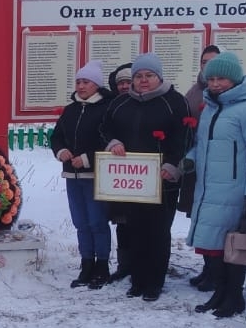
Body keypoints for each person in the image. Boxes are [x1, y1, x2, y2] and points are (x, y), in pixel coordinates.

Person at [182, 53, 246, 318]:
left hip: (235, 191)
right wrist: (190, 159)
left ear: (235, 79)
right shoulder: (211, 108)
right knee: (213, 247)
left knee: (232, 246)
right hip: (208, 189)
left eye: (221, 78)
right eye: (211, 79)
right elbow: (203, 145)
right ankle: (219, 293)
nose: (215, 84)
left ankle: (234, 297)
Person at [99, 53, 190, 302]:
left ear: (159, 77)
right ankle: (137, 280)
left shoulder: (174, 102)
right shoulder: (121, 103)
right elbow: (104, 128)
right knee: (135, 230)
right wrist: (113, 142)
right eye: (139, 76)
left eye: (149, 75)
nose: (143, 80)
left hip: (163, 181)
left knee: (158, 232)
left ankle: (154, 282)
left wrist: (173, 165)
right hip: (131, 182)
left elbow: (184, 137)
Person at [50, 60, 114, 289]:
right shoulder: (71, 110)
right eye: (78, 81)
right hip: (72, 176)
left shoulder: (106, 109)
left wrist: (87, 158)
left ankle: (102, 265)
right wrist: (61, 151)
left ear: (97, 85)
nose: (81, 86)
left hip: (95, 176)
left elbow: (109, 141)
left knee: (97, 221)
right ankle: (86, 263)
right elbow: (56, 137)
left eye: (86, 82)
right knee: (80, 222)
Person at [181, 45, 220, 291]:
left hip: (219, 168)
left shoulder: (229, 91)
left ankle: (217, 271)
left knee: (215, 222)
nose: (208, 66)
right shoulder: (194, 92)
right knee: (200, 220)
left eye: (213, 61)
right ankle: (208, 267)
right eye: (204, 62)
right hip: (195, 164)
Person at [105, 62, 134, 283]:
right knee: (122, 222)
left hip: (141, 172)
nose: (124, 86)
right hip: (118, 174)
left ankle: (142, 264)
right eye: (121, 83)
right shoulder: (112, 106)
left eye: (128, 82)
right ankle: (124, 265)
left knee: (142, 223)